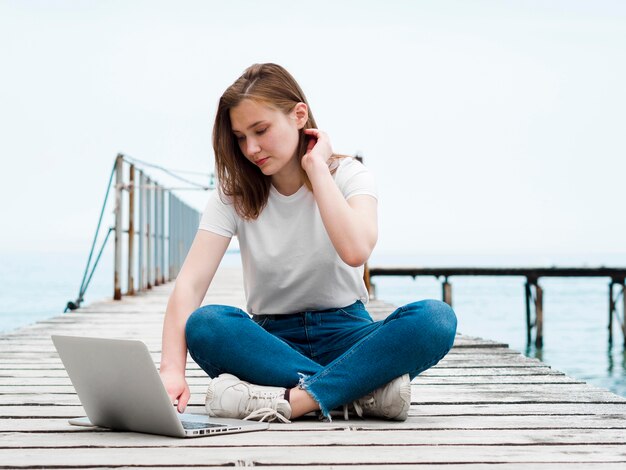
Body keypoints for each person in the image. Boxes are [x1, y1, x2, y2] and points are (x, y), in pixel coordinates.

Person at [159, 63, 457, 423]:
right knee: (207, 324)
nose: (251, 148)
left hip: (348, 333)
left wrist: (317, 168)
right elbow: (190, 285)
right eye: (240, 137)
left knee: (435, 319)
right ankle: (359, 391)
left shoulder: (349, 175)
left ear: (299, 115)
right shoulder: (233, 195)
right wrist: (171, 370)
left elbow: (356, 251)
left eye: (261, 130)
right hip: (271, 342)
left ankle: (297, 399)